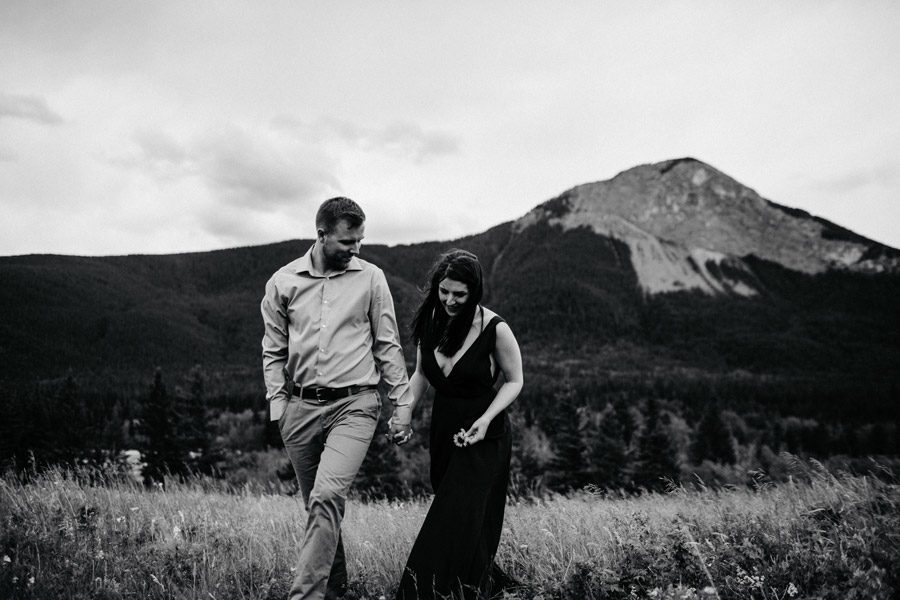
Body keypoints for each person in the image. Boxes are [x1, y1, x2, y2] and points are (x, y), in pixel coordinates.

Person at [261, 197, 413, 600]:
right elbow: (273, 352)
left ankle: (305, 595)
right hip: (299, 409)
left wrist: (403, 404)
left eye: (360, 241)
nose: (355, 249)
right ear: (322, 234)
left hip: (356, 405)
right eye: (347, 241)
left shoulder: (371, 278)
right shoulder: (282, 282)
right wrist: (280, 409)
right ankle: (336, 588)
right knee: (318, 505)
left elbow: (387, 344)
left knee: (328, 495)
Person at [390, 249, 524, 600]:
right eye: (444, 291)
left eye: (459, 295)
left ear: (474, 292)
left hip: (485, 432)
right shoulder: (429, 323)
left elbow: (514, 380)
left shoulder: (496, 328)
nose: (450, 300)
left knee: (454, 515)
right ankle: (479, 585)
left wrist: (486, 419)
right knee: (461, 517)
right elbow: (420, 375)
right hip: (444, 429)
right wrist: (403, 412)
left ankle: (422, 593)